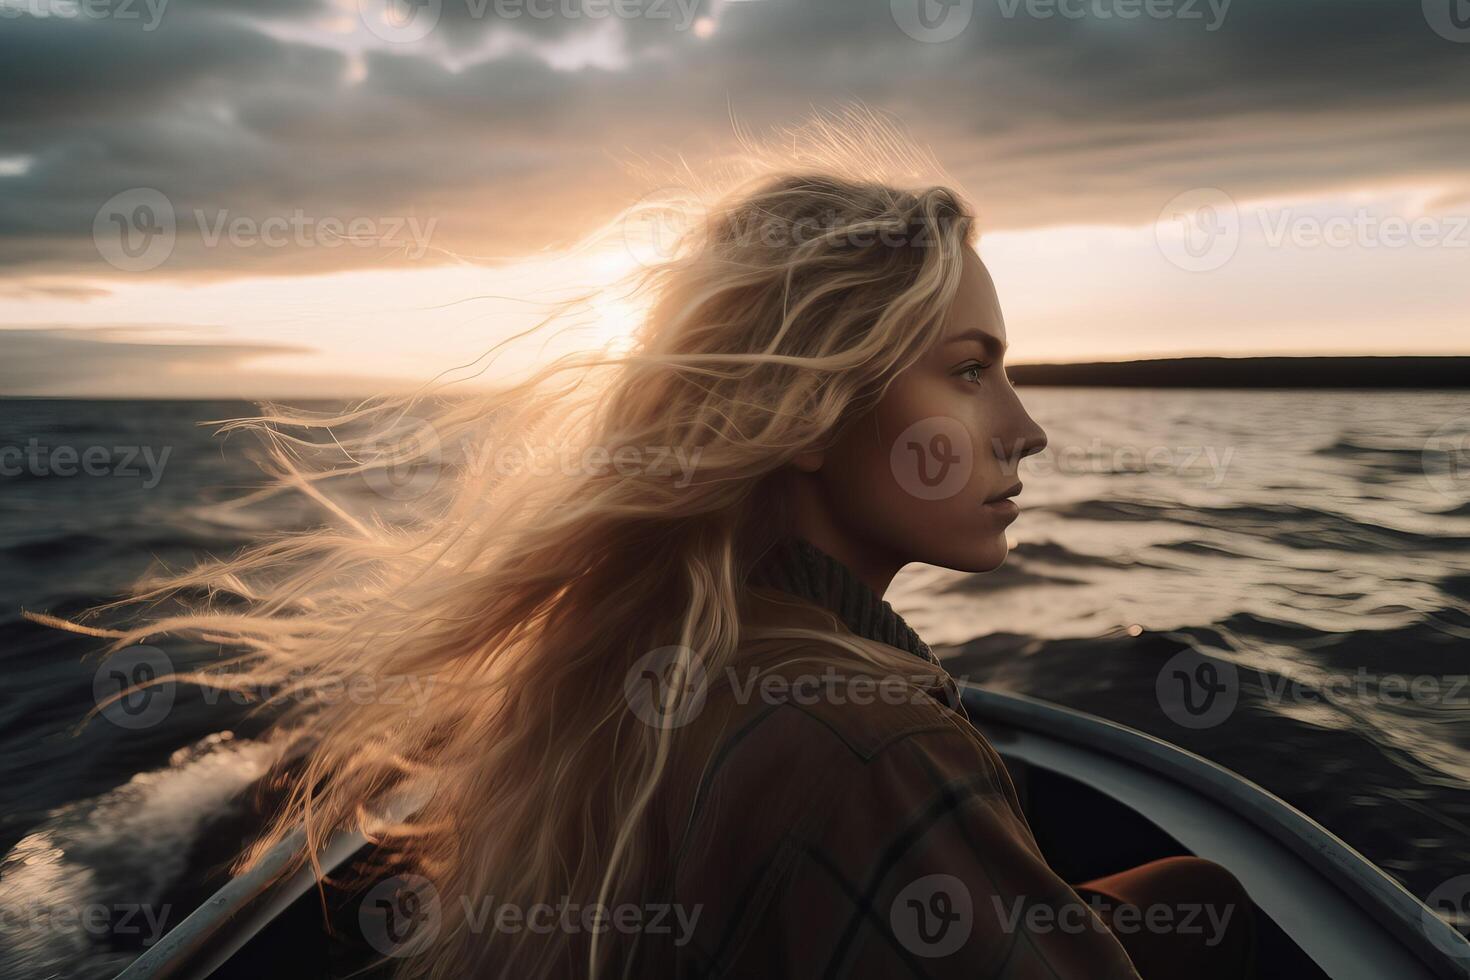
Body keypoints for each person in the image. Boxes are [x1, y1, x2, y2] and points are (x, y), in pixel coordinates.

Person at [78, 111, 1255, 978]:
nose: (1027, 430)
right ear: (807, 412)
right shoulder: (867, 735)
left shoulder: (633, 653)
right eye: (968, 371)